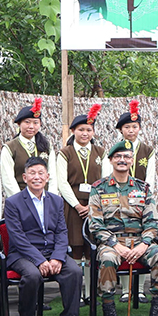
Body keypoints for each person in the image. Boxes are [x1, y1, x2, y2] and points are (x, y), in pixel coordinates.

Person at [89, 140, 158, 316]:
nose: (122, 160)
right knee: (108, 259)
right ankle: (109, 315)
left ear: (132, 161)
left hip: (140, 242)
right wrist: (116, 246)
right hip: (112, 243)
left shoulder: (143, 188)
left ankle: (156, 314)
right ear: (110, 160)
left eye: (126, 156)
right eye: (118, 156)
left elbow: (151, 222)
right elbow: (95, 225)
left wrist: (144, 245)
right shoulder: (99, 188)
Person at [2, 156, 86, 316]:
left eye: (41, 173)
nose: (37, 177)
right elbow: (17, 238)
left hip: (52, 252)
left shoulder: (56, 201)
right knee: (32, 275)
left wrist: (57, 257)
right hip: (23, 254)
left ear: (47, 177)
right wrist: (40, 260)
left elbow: (62, 233)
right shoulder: (13, 202)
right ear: (25, 178)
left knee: (74, 271)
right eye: (32, 173)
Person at [56, 105, 104, 261]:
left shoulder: (101, 152)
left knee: (93, 248)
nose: (85, 133)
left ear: (94, 132)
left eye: (89, 130)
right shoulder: (65, 153)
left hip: (95, 206)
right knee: (75, 246)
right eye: (81, 130)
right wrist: (77, 205)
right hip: (72, 207)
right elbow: (62, 183)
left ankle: (91, 286)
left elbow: (105, 181)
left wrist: (92, 206)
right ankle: (75, 285)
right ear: (73, 131)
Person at [0, 98, 54, 203]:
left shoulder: (47, 146)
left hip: (44, 200)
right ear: (19, 124)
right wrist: (22, 202)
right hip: (19, 202)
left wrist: (51, 200)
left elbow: (52, 177)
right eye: (27, 122)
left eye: (35, 123)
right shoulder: (10, 148)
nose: (31, 126)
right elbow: (8, 180)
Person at [100, 100, 155, 188]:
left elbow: (150, 177)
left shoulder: (148, 151)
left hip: (140, 194)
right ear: (120, 130)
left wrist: (147, 194)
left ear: (139, 128)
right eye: (127, 127)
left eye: (134, 127)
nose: (131, 130)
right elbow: (108, 173)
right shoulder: (114, 149)